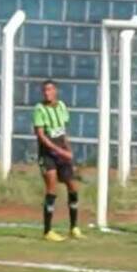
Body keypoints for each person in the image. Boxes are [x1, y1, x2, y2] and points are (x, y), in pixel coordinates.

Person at [33, 79, 82, 241]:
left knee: (73, 186)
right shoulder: (39, 109)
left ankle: (74, 227)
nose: (47, 93)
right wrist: (60, 151)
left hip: (62, 153)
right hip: (47, 155)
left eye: (49, 90)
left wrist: (68, 149)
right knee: (52, 188)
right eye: (44, 90)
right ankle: (48, 231)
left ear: (55, 91)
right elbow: (41, 136)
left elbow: (62, 132)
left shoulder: (61, 106)